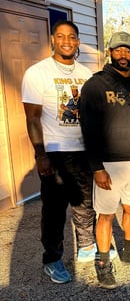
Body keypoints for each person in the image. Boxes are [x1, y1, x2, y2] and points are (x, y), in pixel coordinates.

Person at [21, 20, 97, 283]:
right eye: (61, 36)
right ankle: (52, 259)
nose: (67, 41)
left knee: (86, 203)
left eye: (72, 36)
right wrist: (40, 154)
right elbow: (32, 118)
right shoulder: (37, 73)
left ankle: (87, 247)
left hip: (83, 150)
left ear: (77, 41)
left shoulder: (87, 74)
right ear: (53, 39)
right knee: (54, 210)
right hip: (54, 151)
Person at [79, 31, 130, 289]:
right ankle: (102, 263)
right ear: (110, 52)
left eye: (128, 50)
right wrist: (96, 167)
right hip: (108, 164)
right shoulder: (96, 85)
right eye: (118, 50)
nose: (124, 55)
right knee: (106, 214)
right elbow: (87, 128)